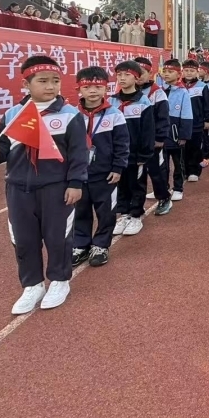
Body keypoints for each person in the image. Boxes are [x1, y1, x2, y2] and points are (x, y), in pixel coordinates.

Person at [0, 56, 88, 314]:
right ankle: (32, 285)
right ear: (26, 84)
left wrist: (75, 183)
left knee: (57, 237)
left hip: (56, 188)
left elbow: (78, 154)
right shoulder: (13, 115)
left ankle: (60, 281)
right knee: (23, 239)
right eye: (42, 81)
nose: (50, 87)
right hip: (18, 188)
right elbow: (1, 147)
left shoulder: (70, 115)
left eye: (56, 81)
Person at [72, 66, 129, 267]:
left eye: (98, 86)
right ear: (79, 88)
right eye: (88, 87)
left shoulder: (114, 114)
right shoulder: (72, 115)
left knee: (106, 211)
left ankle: (101, 245)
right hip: (79, 175)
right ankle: (80, 244)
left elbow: (122, 144)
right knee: (80, 210)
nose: (93, 91)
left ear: (106, 88)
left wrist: (118, 168)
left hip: (105, 175)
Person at [111, 60, 156, 237]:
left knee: (136, 183)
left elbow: (147, 131)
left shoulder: (144, 102)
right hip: (118, 154)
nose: (122, 78)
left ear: (137, 78)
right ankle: (123, 213)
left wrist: (144, 154)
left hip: (136, 153)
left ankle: (136, 214)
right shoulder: (112, 102)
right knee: (120, 184)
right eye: (119, 75)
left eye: (126, 75)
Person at [137, 58, 174, 216]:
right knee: (136, 175)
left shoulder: (157, 93)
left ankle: (164, 198)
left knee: (156, 171)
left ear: (150, 73)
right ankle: (135, 207)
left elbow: (163, 118)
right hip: (134, 143)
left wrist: (160, 138)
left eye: (141, 73)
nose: (138, 77)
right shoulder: (126, 95)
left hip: (153, 143)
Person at [159, 60, 193, 201]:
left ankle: (178, 188)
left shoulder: (183, 92)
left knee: (178, 163)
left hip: (175, 133)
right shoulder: (159, 90)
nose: (166, 74)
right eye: (165, 71)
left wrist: (183, 135)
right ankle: (163, 188)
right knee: (162, 163)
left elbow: (187, 114)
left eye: (170, 72)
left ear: (178, 74)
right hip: (161, 133)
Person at [181, 59, 209, 182]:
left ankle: (194, 171)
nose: (189, 73)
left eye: (192, 70)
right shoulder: (178, 86)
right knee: (183, 149)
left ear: (197, 71)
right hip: (182, 124)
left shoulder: (202, 87)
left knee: (195, 147)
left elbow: (208, 105)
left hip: (197, 123)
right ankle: (184, 170)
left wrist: (208, 119)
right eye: (186, 70)